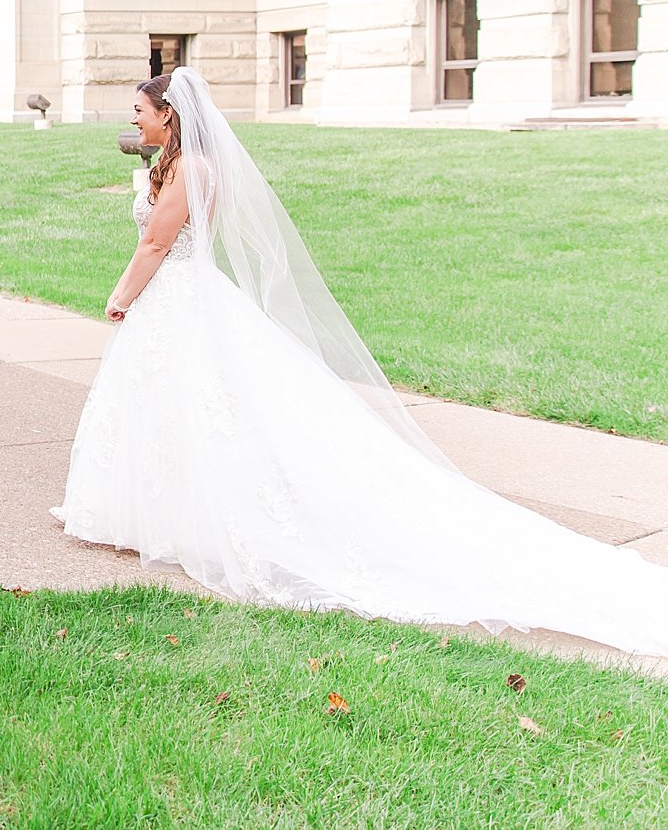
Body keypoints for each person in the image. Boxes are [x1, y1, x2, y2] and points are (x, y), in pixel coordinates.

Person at [54, 67, 668, 655]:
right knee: (178, 411)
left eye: (141, 111)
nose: (133, 120)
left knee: (196, 410)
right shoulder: (185, 163)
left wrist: (119, 295)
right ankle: (164, 516)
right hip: (186, 298)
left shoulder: (189, 167)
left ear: (170, 115)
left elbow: (159, 241)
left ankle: (192, 520)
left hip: (178, 296)